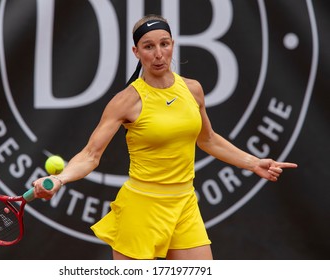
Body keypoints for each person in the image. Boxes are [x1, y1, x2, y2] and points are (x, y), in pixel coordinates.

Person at [32, 14, 298, 260]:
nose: (159, 54)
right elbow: (91, 155)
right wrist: (59, 178)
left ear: (173, 44)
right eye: (148, 47)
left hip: (184, 205)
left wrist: (253, 163)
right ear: (136, 52)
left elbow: (208, 139)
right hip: (142, 209)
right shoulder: (126, 101)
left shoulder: (192, 89)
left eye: (164, 44)